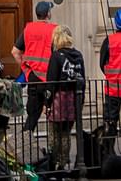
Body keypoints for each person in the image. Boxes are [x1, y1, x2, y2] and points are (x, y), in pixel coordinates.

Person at [44, 26, 86, 172]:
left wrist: (47, 103)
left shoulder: (56, 56)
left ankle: (53, 163)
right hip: (74, 97)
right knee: (66, 133)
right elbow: (83, 80)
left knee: (54, 133)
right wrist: (80, 102)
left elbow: (51, 83)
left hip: (58, 99)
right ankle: (63, 162)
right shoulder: (78, 55)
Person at [12, 0, 58, 132]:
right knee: (54, 114)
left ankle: (26, 142)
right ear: (48, 14)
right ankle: (52, 148)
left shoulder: (28, 29)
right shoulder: (54, 29)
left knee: (32, 115)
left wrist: (26, 70)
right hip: (50, 78)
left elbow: (15, 52)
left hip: (33, 77)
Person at [100, 9, 121, 148]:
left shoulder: (109, 40)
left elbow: (102, 63)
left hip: (112, 88)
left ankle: (108, 150)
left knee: (110, 121)